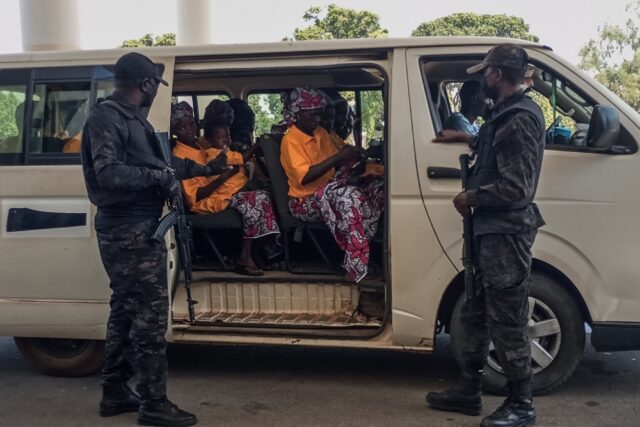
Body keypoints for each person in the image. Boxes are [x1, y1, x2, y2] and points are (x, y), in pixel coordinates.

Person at [425, 44, 546, 427]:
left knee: (508, 318)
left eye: (485, 73)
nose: (482, 79)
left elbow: (518, 188)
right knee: (475, 311)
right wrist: (466, 140)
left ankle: (521, 405)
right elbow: (495, 151)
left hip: (505, 233)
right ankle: (468, 390)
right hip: (488, 232)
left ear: (496, 74)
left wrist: (471, 196)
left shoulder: (520, 119)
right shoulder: (503, 116)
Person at [81, 52, 200, 427]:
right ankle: (154, 403)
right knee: (149, 318)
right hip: (127, 229)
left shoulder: (131, 119)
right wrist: (158, 179)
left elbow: (151, 164)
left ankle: (115, 391)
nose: (154, 93)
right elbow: (109, 173)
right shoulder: (107, 117)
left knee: (123, 311)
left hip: (136, 226)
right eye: (154, 86)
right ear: (146, 84)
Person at [280, 87, 384, 283]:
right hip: (305, 200)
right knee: (349, 198)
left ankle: (368, 251)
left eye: (319, 113)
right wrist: (339, 157)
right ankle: (354, 267)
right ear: (298, 113)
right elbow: (305, 177)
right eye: (313, 114)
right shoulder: (290, 140)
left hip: (329, 188)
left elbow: (336, 163)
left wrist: (354, 158)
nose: (318, 119)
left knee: (377, 188)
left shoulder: (320, 133)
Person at [172, 101, 280, 276]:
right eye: (182, 128)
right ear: (175, 132)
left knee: (266, 195)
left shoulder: (200, 145)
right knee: (256, 199)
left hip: (226, 193)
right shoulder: (179, 156)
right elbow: (194, 198)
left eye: (191, 124)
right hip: (207, 201)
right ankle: (244, 257)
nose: (190, 130)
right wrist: (223, 178)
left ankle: (257, 252)